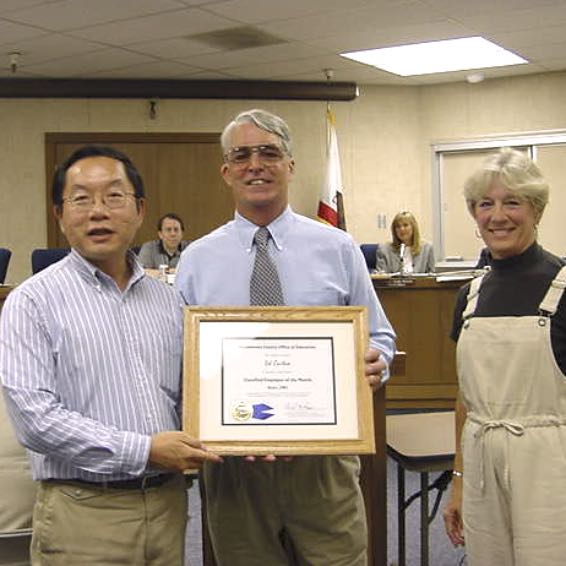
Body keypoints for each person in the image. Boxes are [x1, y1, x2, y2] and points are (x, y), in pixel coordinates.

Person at [175, 108, 396, 566]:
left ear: (291, 165)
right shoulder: (197, 259)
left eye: (269, 153)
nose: (255, 165)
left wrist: (379, 359)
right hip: (233, 468)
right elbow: (181, 357)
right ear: (226, 171)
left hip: (323, 465)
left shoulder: (337, 247)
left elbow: (379, 335)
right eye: (242, 155)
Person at [0, 145, 220, 566]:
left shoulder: (169, 302)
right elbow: (35, 419)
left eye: (114, 197)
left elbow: (193, 396)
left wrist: (250, 427)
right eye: (81, 199)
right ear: (59, 215)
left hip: (168, 507)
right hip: (82, 512)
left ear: (140, 210)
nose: (98, 211)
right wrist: (143, 450)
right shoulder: (32, 302)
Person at [442, 147, 566, 565]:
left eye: (512, 202)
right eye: (485, 204)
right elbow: (465, 400)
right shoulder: (469, 298)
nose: (498, 216)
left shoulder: (563, 289)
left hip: (550, 466)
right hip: (480, 463)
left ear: (536, 209)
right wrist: (458, 482)